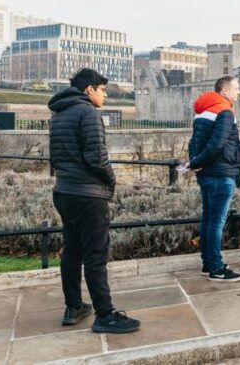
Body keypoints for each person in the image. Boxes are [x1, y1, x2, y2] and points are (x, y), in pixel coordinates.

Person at [49, 68, 140, 334]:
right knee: (96, 255)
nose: (105, 96)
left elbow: (55, 157)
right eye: (102, 90)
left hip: (64, 191)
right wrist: (111, 181)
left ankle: (74, 306)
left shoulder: (58, 114)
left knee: (73, 251)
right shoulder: (88, 112)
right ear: (89, 89)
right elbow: (97, 157)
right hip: (88, 194)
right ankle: (105, 315)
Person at [188, 76, 240, 282]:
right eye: (236, 88)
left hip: (207, 174)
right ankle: (217, 269)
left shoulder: (203, 112)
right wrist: (196, 163)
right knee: (216, 223)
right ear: (225, 90)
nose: (239, 93)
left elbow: (194, 142)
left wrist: (195, 161)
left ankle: (208, 262)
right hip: (221, 173)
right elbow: (218, 144)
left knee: (208, 220)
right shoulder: (225, 111)